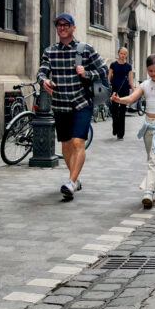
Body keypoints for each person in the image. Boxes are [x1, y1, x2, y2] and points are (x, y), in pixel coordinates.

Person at [36, 13, 109, 200]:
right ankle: (74, 180)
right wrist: (44, 81)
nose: (62, 28)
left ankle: (70, 182)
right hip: (60, 104)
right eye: (59, 25)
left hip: (81, 102)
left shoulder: (85, 50)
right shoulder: (50, 51)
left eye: (66, 25)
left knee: (78, 142)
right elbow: (42, 71)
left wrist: (87, 73)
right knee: (66, 144)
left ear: (73, 28)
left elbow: (103, 69)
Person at [111, 54, 155, 208]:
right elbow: (131, 98)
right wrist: (118, 100)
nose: (153, 73)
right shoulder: (144, 85)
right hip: (148, 126)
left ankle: (148, 192)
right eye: (150, 70)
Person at [108, 47, 135, 140]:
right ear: (118, 53)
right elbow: (108, 77)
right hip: (115, 89)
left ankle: (121, 134)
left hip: (124, 90)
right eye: (121, 53)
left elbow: (130, 80)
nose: (123, 55)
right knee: (114, 110)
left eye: (125, 54)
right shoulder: (113, 65)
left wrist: (134, 90)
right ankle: (115, 127)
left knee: (122, 111)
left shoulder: (128, 66)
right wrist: (107, 88)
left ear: (126, 55)